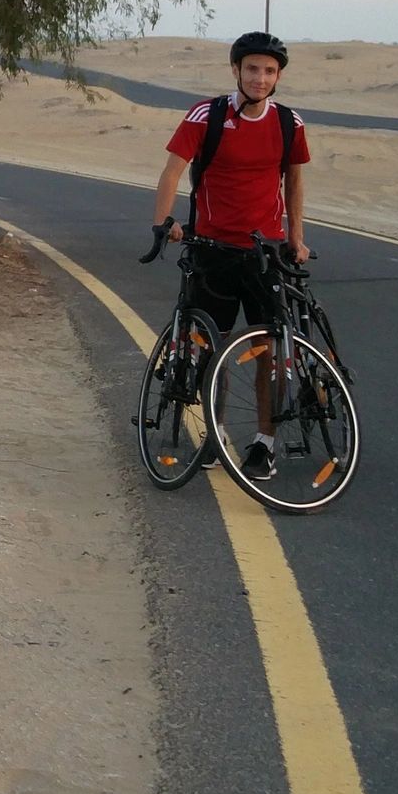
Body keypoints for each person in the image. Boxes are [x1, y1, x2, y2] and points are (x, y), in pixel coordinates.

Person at [147, 31, 313, 481]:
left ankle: (265, 442)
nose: (260, 78)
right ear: (236, 70)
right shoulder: (207, 116)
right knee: (210, 348)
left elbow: (294, 183)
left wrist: (296, 238)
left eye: (269, 71)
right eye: (252, 69)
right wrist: (165, 222)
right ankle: (214, 435)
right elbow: (172, 171)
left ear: (278, 77)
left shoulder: (288, 124)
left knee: (270, 350)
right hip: (213, 249)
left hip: (266, 251)